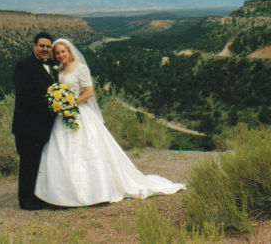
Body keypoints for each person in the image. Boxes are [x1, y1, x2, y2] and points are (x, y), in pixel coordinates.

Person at [35, 38, 185, 207]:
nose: (60, 55)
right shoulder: (59, 70)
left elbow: (89, 92)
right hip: (63, 116)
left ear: (69, 51)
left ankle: (94, 191)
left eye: (63, 51)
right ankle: (63, 194)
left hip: (80, 114)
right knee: (62, 152)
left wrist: (72, 103)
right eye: (57, 53)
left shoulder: (80, 68)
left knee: (87, 151)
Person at [12, 32, 58, 210]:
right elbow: (24, 95)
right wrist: (52, 105)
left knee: (43, 162)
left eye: (48, 47)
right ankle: (25, 200)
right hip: (28, 125)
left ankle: (40, 195)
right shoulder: (23, 66)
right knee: (28, 163)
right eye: (42, 46)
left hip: (48, 125)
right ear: (34, 46)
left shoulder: (54, 65)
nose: (45, 49)